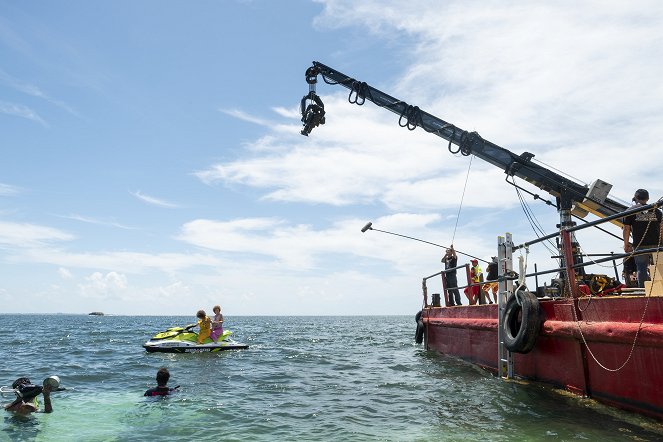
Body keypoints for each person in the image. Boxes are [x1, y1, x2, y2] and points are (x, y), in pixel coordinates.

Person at [623, 188, 663, 288]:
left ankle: (644, 290)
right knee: (660, 267)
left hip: (640, 246)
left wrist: (626, 244)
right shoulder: (657, 211)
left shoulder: (629, 211)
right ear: (648, 198)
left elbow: (626, 229)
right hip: (656, 245)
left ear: (636, 198)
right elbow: (662, 228)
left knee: (641, 268)